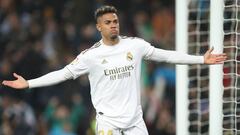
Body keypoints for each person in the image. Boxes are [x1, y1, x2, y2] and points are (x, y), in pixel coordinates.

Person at [2, 5, 226, 135]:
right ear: (99, 27)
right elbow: (62, 73)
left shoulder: (135, 45)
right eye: (108, 22)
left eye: (115, 21)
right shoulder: (90, 56)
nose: (113, 25)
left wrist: (201, 59)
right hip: (108, 123)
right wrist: (29, 83)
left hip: (135, 121)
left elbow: (166, 55)